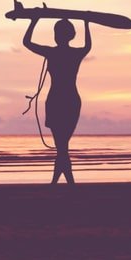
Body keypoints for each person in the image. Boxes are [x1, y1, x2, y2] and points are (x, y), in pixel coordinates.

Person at [22, 18, 91, 184]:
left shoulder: (52, 52)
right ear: (72, 35)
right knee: (62, 146)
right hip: (70, 100)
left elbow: (26, 42)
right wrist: (86, 23)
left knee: (61, 146)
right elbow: (88, 46)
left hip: (57, 100)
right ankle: (63, 182)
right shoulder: (75, 53)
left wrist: (34, 21)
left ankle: (62, 183)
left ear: (56, 36)